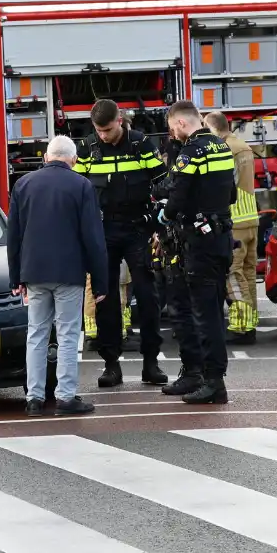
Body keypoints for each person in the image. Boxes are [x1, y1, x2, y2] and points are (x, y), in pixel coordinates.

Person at [7, 134, 107, 416]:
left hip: (33, 271)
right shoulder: (82, 185)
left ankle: (34, 397)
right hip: (69, 272)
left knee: (36, 334)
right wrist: (100, 280)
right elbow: (93, 237)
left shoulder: (23, 184)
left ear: (46, 157)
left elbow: (13, 235)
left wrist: (15, 276)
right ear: (73, 160)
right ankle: (65, 396)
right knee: (67, 334)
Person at [73, 99, 168, 388]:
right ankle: (111, 364)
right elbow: (77, 189)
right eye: (98, 130)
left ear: (119, 120)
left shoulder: (141, 144)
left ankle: (151, 362)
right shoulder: (88, 148)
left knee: (148, 296)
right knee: (106, 298)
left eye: (107, 129)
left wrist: (158, 224)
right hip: (104, 230)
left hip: (138, 228)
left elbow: (164, 183)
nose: (103, 135)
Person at [158, 100, 237, 404]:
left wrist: (165, 215)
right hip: (220, 237)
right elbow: (231, 193)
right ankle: (202, 376)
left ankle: (214, 382)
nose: (172, 133)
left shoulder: (191, 151)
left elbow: (177, 195)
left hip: (200, 242)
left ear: (180, 122)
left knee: (205, 315)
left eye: (172, 127)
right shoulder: (221, 146)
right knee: (212, 310)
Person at [206, 111, 260, 345]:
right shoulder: (243, 146)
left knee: (233, 274)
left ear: (213, 128)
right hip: (251, 219)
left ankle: (241, 326)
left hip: (234, 221)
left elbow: (223, 185)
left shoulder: (224, 149)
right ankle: (250, 322)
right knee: (248, 274)